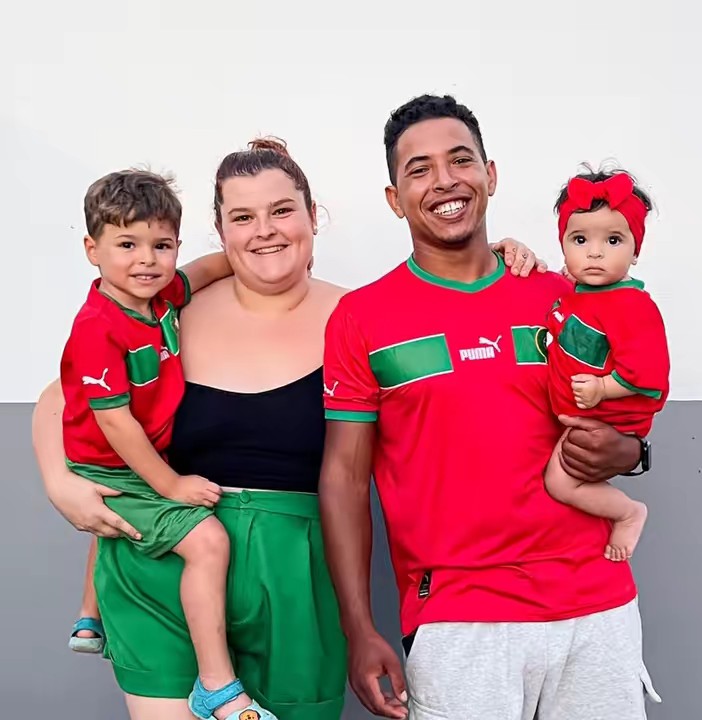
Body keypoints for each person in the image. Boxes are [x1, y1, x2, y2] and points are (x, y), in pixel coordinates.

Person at [32, 137, 540, 720]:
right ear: (220, 232)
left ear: (312, 216)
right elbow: (61, 396)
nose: (265, 231)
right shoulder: (168, 311)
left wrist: (497, 259)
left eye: (281, 210)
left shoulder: (366, 317)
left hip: (298, 579)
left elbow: (463, 345)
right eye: (242, 217)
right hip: (167, 562)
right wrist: (60, 483)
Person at [319, 94, 661, 720]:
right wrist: (358, 627)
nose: (444, 180)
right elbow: (343, 477)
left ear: (490, 174)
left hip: (596, 605)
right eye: (419, 169)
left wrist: (633, 452)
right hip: (459, 619)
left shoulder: (563, 296)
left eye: (460, 160)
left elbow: (626, 408)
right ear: (395, 198)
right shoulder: (361, 318)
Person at [61, 168, 275, 720]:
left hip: (129, 459)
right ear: (92, 250)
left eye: (161, 245)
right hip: (114, 465)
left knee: (115, 534)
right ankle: (216, 683)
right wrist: (171, 485)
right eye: (127, 245)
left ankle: (88, 616)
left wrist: (250, 255)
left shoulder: (160, 298)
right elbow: (117, 425)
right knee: (208, 542)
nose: (147, 260)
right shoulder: (98, 327)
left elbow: (204, 270)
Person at [543, 168, 670, 563]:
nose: (594, 253)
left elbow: (646, 375)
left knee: (560, 483)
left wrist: (602, 388)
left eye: (613, 240)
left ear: (635, 250)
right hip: (582, 416)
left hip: (606, 421)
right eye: (580, 240)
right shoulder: (581, 293)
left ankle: (628, 512)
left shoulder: (632, 306)